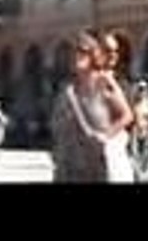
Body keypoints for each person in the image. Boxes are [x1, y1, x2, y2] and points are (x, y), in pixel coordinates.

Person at [49, 31, 136, 182]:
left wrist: (106, 136)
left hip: (98, 163)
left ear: (93, 54)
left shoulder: (104, 82)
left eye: (83, 51)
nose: (77, 55)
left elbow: (127, 115)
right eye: (75, 51)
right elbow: (57, 126)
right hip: (71, 164)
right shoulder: (68, 89)